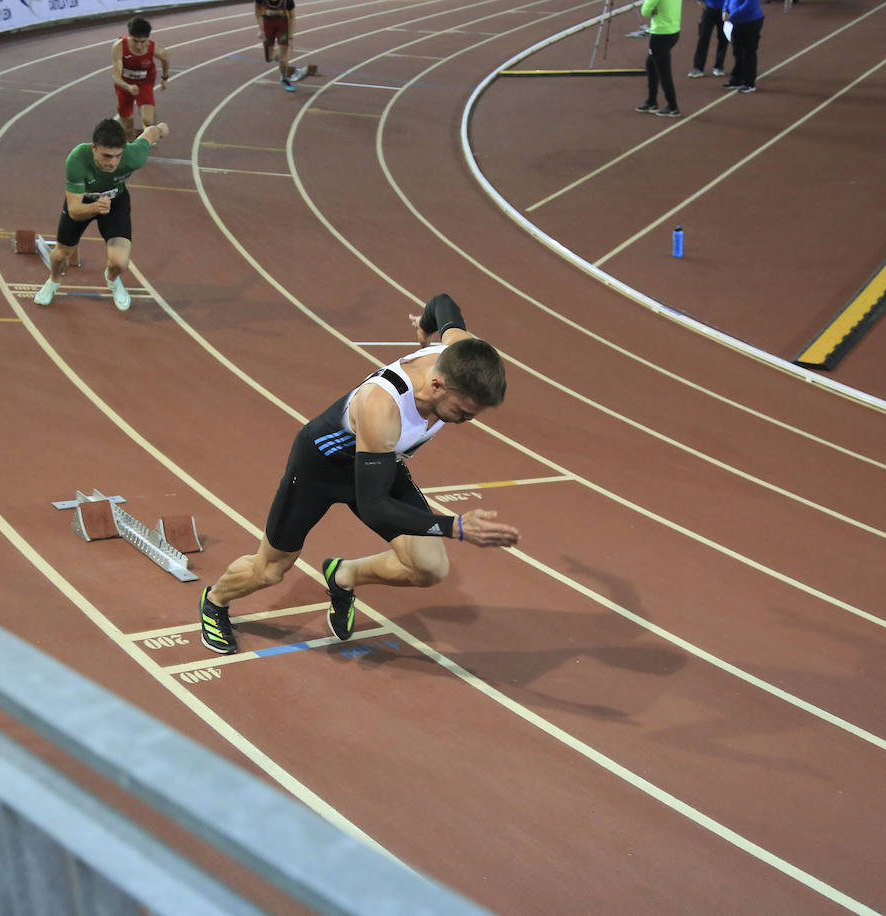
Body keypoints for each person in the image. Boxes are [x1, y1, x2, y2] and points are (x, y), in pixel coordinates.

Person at [196, 294, 521, 655]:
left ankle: (342, 576)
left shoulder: (460, 352)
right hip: (321, 468)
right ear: (437, 385)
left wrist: (426, 326)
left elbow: (444, 304)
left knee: (429, 567)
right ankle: (215, 600)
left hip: (381, 461)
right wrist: (455, 526)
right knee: (271, 569)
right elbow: (374, 506)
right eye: (462, 412)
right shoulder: (381, 406)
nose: (464, 421)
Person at [34, 118, 168, 312]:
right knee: (61, 255)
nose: (112, 162)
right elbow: (74, 210)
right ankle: (53, 282)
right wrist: (96, 207)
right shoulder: (77, 159)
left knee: (120, 263)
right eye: (106, 156)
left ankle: (112, 280)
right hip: (83, 202)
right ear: (94, 148)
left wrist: (161, 129)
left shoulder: (134, 156)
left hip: (116, 202)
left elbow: (149, 134)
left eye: (117, 156)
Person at [112, 17, 170, 140]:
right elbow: (116, 76)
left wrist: (164, 78)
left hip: (145, 83)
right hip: (124, 85)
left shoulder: (156, 49)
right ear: (129, 37)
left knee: (148, 120)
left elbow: (165, 60)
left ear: (148, 38)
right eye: (135, 41)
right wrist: (127, 86)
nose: (139, 46)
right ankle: (131, 140)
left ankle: (152, 132)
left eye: (143, 42)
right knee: (127, 128)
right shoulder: (119, 47)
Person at [634, 0, 682, 117]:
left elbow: (645, 11)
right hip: (674, 31)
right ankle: (651, 101)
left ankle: (672, 106)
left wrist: (651, 10)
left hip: (660, 35)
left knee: (663, 72)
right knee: (650, 65)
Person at [256, 0, 307, 91]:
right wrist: (261, 29)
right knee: (269, 58)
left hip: (282, 26)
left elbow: (292, 16)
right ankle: (276, 54)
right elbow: (257, 11)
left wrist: (290, 36)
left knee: (283, 59)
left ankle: (284, 79)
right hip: (268, 25)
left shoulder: (287, 1)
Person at [722, 0, 764, 92]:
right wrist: (725, 10)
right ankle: (737, 79)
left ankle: (749, 83)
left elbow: (749, 5)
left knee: (748, 52)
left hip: (751, 21)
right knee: (737, 52)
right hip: (736, 21)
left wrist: (732, 15)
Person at [688, 0, 728, 78]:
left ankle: (719, 66)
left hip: (724, 10)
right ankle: (698, 68)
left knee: (723, 38)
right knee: (703, 38)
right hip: (708, 9)